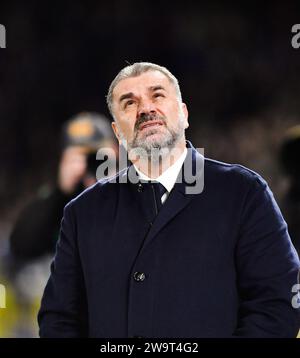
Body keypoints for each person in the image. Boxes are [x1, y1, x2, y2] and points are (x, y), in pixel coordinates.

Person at [38, 62, 300, 338]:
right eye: (129, 103)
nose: (145, 109)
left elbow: (277, 305)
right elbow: (59, 319)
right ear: (117, 132)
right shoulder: (83, 212)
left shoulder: (244, 193)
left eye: (157, 95)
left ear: (184, 114)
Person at [10, 112, 117, 261]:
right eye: (83, 156)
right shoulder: (60, 202)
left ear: (116, 151)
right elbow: (21, 246)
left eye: (98, 154)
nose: (93, 162)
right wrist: (62, 191)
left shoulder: (134, 188)